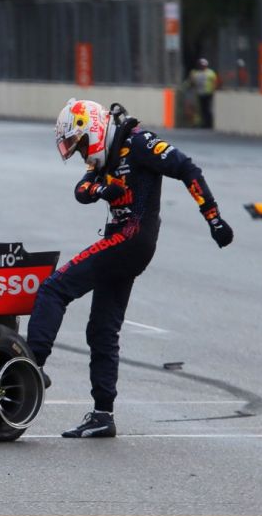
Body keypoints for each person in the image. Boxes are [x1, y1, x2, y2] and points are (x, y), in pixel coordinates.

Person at [29, 99, 233, 438]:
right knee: (101, 330)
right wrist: (100, 188)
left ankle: (31, 366)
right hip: (126, 243)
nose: (82, 154)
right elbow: (81, 190)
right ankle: (102, 414)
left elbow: (187, 168)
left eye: (80, 145)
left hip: (130, 239)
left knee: (54, 288)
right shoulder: (107, 152)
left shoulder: (139, 143)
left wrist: (213, 218)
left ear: (91, 128)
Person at [188, 58, 220, 128]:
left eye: (204, 65)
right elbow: (192, 82)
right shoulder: (196, 73)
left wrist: (214, 90)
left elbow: (215, 82)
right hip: (199, 93)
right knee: (201, 109)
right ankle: (202, 123)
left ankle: (209, 123)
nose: (202, 66)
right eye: (201, 65)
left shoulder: (210, 73)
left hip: (208, 93)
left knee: (208, 109)